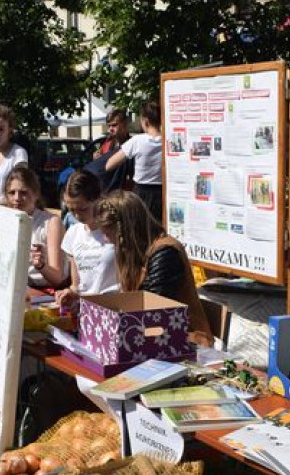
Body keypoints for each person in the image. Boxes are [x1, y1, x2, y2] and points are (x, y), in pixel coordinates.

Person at [95, 190, 212, 346]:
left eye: (107, 233)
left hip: (182, 340)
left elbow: (152, 309)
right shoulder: (133, 251)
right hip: (150, 336)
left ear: (125, 231)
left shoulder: (165, 253)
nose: (105, 240)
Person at [55, 170, 118, 310]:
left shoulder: (113, 231)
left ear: (99, 199)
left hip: (113, 307)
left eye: (83, 209)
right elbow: (76, 286)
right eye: (71, 210)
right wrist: (68, 294)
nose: (77, 215)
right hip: (86, 311)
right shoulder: (73, 233)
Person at [2, 165, 65, 288]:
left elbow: (57, 278)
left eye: (23, 193)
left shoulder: (51, 223)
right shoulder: (5, 221)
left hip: (46, 292)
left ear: (36, 194)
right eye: (11, 192)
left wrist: (41, 266)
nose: (17, 198)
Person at [106, 100, 163, 221]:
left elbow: (109, 165)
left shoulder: (137, 141)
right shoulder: (168, 140)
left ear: (145, 121)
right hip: (162, 192)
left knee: (140, 230)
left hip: (141, 193)